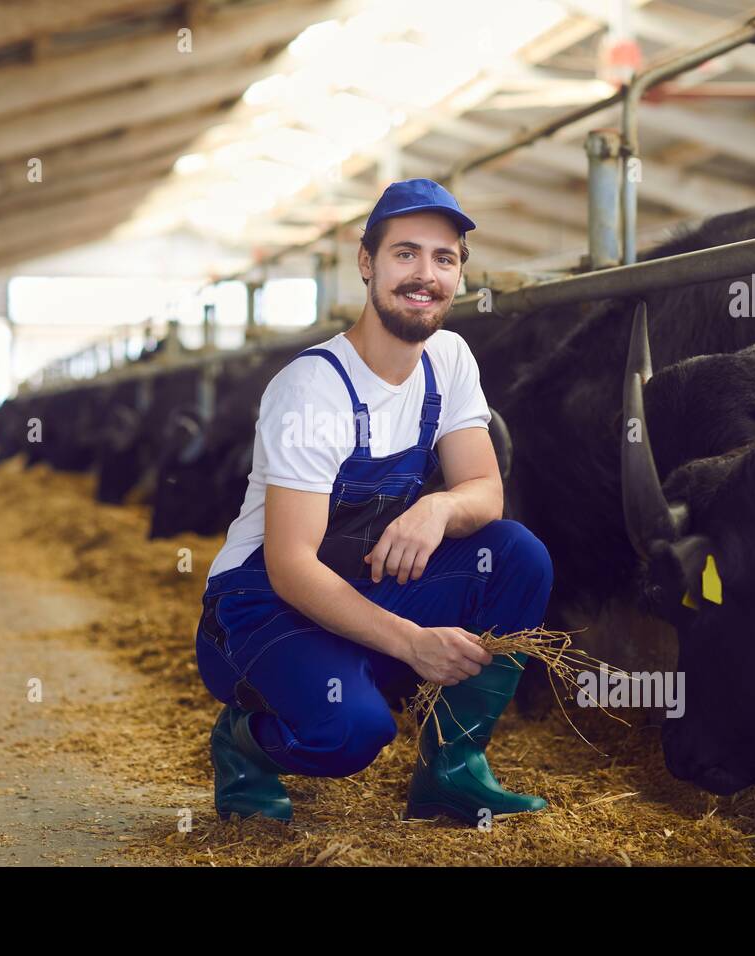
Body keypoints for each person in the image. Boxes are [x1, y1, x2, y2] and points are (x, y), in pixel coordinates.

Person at [194, 178, 554, 824]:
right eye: (405, 254)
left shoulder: (448, 359)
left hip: (367, 583)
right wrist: (413, 643)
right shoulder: (313, 390)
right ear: (366, 264)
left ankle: (453, 768)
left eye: (444, 259)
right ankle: (242, 743)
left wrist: (437, 508)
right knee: (352, 733)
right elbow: (290, 565)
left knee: (517, 556)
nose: (426, 276)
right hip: (261, 606)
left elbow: (486, 492)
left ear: (460, 275)